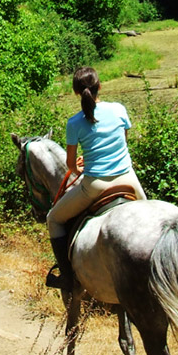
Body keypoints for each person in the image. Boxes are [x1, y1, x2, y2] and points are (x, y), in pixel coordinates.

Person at [45, 66, 147, 290]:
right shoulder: (119, 109)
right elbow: (123, 143)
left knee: (53, 219)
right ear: (100, 86)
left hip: (95, 185)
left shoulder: (74, 123)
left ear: (76, 93)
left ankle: (67, 277)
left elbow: (70, 165)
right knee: (149, 217)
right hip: (128, 178)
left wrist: (81, 167)